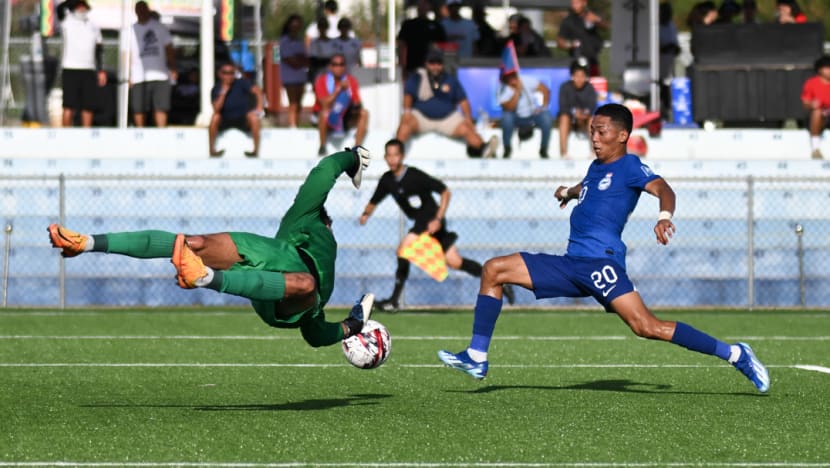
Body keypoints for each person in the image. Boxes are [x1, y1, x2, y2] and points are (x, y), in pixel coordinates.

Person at [436, 103, 771, 395]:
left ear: (622, 135)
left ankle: (736, 354)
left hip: (600, 264)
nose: (594, 138)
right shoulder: (596, 168)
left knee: (646, 327)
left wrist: (664, 216)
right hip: (571, 264)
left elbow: (663, 188)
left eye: (601, 132)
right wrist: (568, 193)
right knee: (494, 269)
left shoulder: (630, 166)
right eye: (591, 132)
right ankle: (477, 357)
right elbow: (590, 187)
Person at [48, 147, 376, 349]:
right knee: (194, 243)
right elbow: (323, 173)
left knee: (305, 285)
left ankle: (204, 277)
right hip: (269, 255)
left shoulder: (305, 237)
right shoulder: (310, 219)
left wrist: (352, 326)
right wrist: (354, 156)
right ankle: (87, 242)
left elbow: (316, 335)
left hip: (283, 291)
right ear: (328, 225)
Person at [359, 138, 514, 312]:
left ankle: (394, 301)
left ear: (402, 156)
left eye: (396, 155)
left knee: (403, 249)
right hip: (421, 223)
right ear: (385, 157)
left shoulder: (415, 175)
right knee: (455, 262)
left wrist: (438, 219)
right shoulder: (387, 180)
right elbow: (374, 200)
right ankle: (498, 281)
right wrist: (365, 214)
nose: (393, 159)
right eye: (389, 155)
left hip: (431, 219)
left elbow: (445, 191)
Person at [396, 49, 498, 159]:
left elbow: (463, 100)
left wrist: (468, 118)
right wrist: (406, 113)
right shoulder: (417, 77)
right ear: (426, 63)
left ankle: (483, 149)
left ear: (443, 64)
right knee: (405, 125)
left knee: (466, 127)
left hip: (447, 119)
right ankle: (395, 152)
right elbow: (408, 96)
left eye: (438, 63)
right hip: (421, 117)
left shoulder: (450, 79)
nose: (435, 66)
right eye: (432, 63)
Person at [56, 0, 106, 128]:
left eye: (84, 7)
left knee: (88, 106)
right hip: (70, 68)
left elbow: (98, 49)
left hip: (88, 69)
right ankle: (65, 135)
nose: (82, 9)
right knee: (68, 106)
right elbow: (60, 8)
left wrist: (101, 70)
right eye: (79, 6)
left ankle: (86, 135)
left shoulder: (93, 25)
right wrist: (72, 2)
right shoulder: (67, 20)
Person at [129, 0, 176, 128]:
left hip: (160, 75)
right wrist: (129, 75)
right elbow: (127, 54)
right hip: (138, 76)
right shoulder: (130, 30)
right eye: (139, 9)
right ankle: (140, 133)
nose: (142, 12)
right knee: (139, 108)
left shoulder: (159, 27)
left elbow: (169, 49)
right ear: (136, 11)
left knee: (161, 107)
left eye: (144, 9)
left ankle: (161, 132)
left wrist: (172, 68)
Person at [313, 53, 369, 157]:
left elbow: (357, 103)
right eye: (335, 64)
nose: (338, 67)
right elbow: (324, 104)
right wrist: (338, 90)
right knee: (324, 113)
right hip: (328, 117)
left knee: (364, 113)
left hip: (345, 115)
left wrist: (350, 98)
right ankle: (322, 146)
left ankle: (356, 148)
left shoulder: (351, 81)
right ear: (330, 66)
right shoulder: (321, 81)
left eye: (341, 64)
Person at [208, 62, 264, 158]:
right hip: (225, 119)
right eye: (225, 73)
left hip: (242, 118)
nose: (228, 76)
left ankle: (255, 151)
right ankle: (212, 150)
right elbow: (216, 109)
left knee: (254, 118)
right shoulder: (216, 88)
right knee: (215, 118)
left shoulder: (241, 83)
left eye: (231, 73)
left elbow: (258, 91)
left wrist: (259, 108)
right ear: (220, 74)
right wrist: (224, 92)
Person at [498, 70, 552, 159]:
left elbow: (545, 90)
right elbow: (509, 108)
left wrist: (542, 107)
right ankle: (507, 148)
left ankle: (544, 149)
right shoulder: (502, 89)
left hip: (533, 114)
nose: (512, 79)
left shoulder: (526, 80)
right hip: (515, 117)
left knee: (546, 116)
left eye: (513, 75)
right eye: (509, 77)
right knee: (506, 118)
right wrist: (517, 92)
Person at [397, 0, 446, 81]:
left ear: (429, 7)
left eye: (425, 4)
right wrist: (402, 65)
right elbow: (401, 45)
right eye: (421, 4)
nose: (423, 7)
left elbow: (442, 47)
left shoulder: (436, 26)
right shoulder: (408, 25)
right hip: (412, 67)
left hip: (431, 69)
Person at [557, 60, 597, 158]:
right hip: (570, 119)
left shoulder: (590, 88)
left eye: (582, 76)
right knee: (564, 118)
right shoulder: (564, 87)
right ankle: (564, 153)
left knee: (593, 120)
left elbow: (592, 106)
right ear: (572, 76)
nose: (579, 79)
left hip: (585, 119)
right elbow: (563, 106)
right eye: (577, 76)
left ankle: (594, 152)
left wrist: (584, 114)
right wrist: (574, 112)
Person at [557, 0, 607, 77]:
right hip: (577, 60)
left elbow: (606, 26)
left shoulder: (592, 14)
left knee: (595, 81)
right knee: (579, 81)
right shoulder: (568, 20)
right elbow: (560, 41)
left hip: (593, 59)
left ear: (584, 3)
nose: (575, 6)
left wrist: (597, 20)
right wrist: (570, 44)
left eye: (577, 3)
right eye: (573, 3)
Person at [279, 14, 308, 128]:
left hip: (300, 75)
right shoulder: (284, 41)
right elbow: (289, 59)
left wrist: (299, 59)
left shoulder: (300, 41)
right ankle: (292, 124)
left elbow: (304, 58)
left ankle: (297, 122)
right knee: (293, 102)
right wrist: (298, 59)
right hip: (289, 75)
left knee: (299, 102)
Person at [800, 55, 830, 160]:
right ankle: (816, 149)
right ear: (820, 70)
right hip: (820, 118)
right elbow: (805, 103)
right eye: (828, 67)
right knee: (817, 111)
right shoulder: (811, 83)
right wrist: (812, 104)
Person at [659, 2, 680, 120]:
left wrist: (674, 48)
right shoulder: (656, 27)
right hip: (660, 65)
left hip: (670, 63)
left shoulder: (672, 26)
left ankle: (669, 112)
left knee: (670, 88)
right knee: (662, 89)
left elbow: (676, 44)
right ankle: (662, 112)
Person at [308, 17, 338, 86]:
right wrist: (329, 60)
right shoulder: (314, 42)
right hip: (318, 75)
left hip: (331, 75)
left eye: (324, 26)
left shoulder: (333, 42)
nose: (322, 28)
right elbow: (313, 60)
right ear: (318, 28)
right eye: (321, 26)